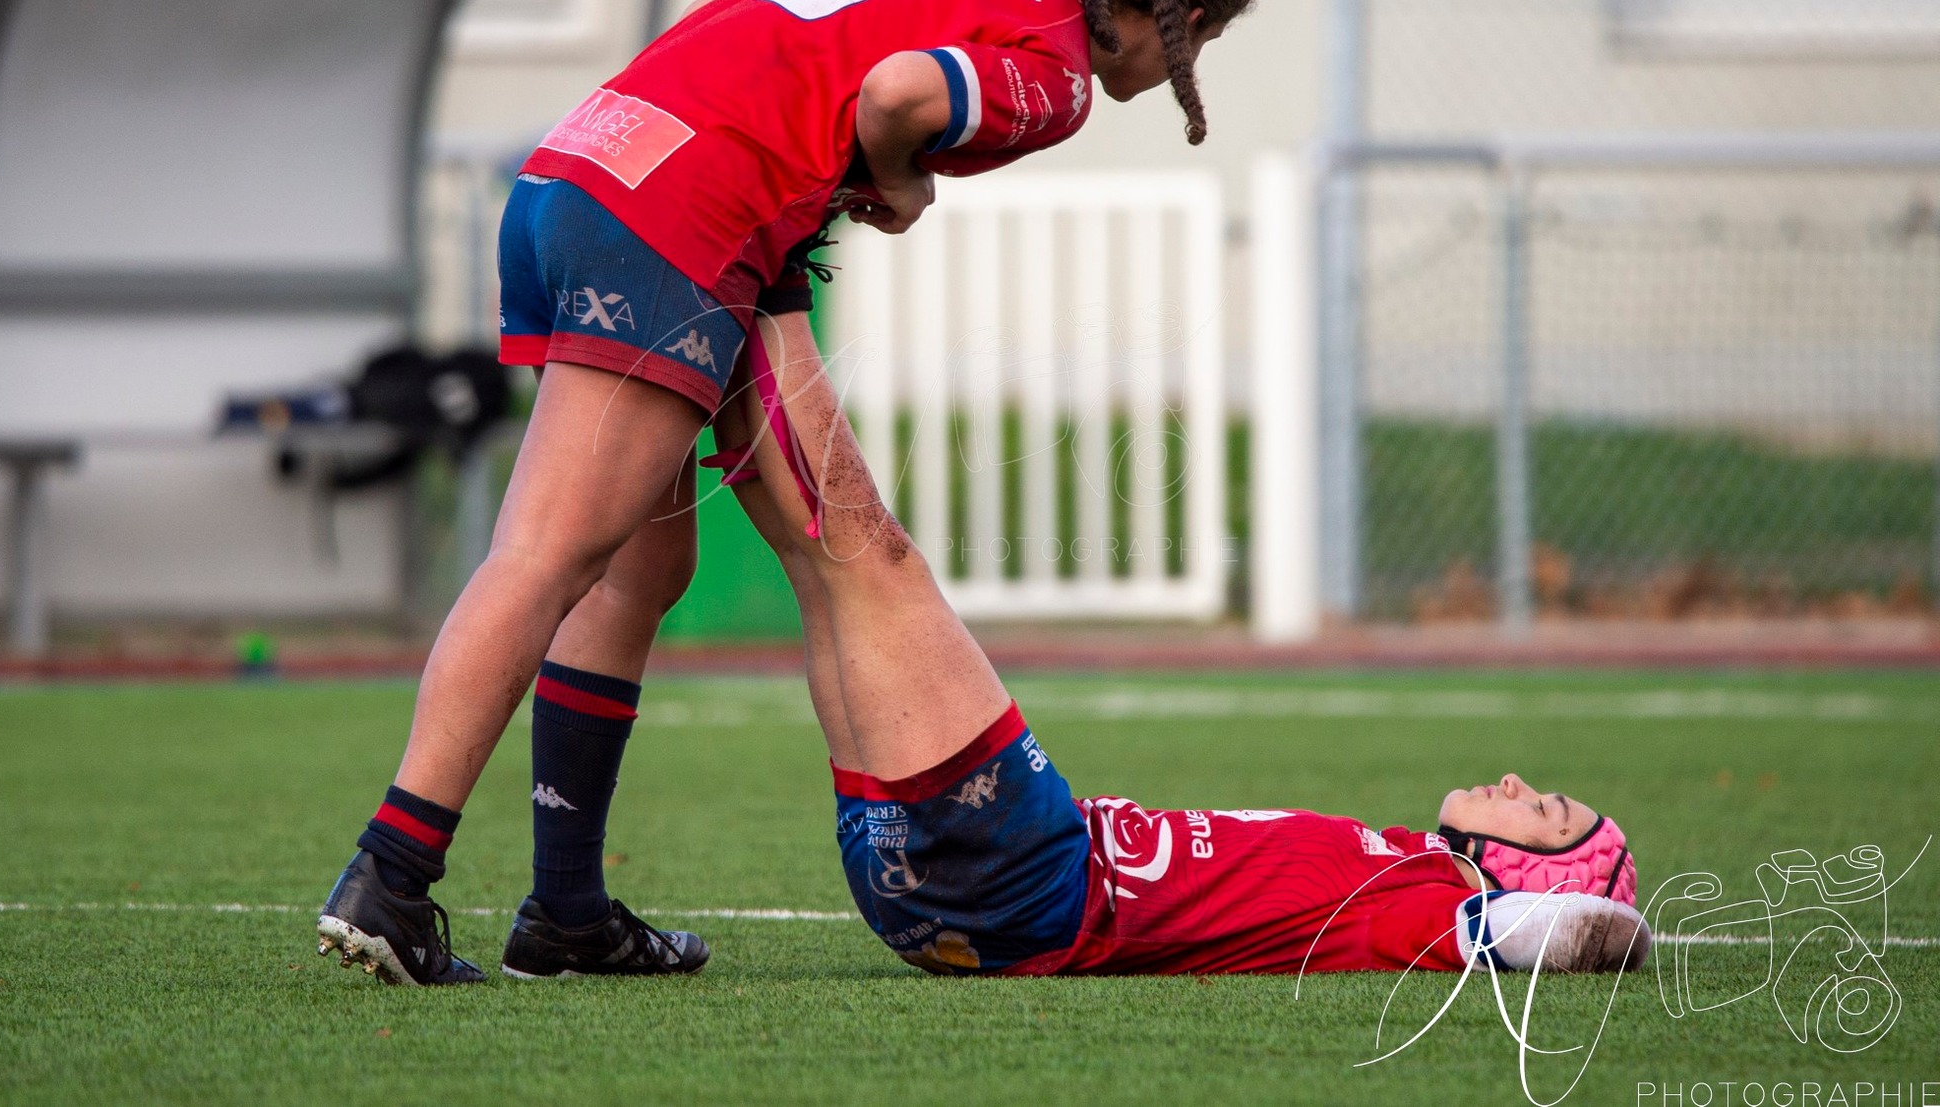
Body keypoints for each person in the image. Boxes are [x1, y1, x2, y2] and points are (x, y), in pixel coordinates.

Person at [315, 0, 1257, 986]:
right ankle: (392, 871)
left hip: (581, 167)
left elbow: (774, 27)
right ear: (1181, 22)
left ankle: (565, 910)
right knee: (547, 554)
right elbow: (898, 93)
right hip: (670, 215)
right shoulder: (1054, 76)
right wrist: (900, 182)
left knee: (639, 567)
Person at [703, 309, 1653, 981]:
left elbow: (1574, 928)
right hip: (959, 892)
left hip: (1028, 876)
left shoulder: (1427, 907)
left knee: (868, 548)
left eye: (1551, 814)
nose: (1524, 786)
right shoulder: (1404, 865)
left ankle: (768, 269)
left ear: (1536, 869)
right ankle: (739, 290)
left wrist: (1623, 920)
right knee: (818, 557)